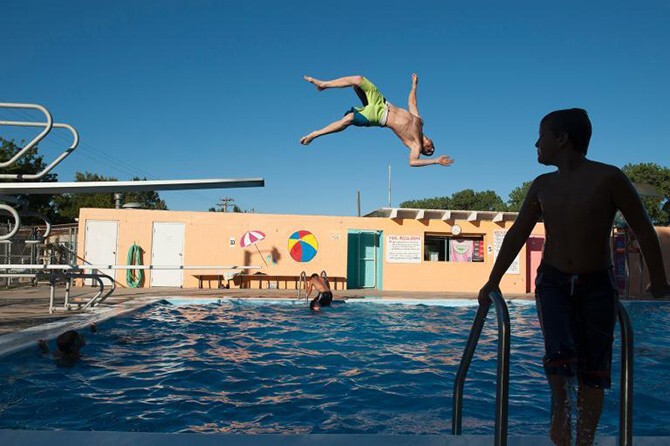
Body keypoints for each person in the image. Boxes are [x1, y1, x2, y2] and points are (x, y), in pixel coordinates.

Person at [478, 108, 670, 446]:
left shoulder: (609, 178)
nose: (536, 143)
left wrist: (659, 281)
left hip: (597, 283)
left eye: (542, 136)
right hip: (552, 281)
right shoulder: (542, 185)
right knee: (559, 353)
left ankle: (584, 438)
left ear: (562, 138)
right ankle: (561, 415)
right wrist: (493, 281)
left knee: (595, 367)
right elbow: (517, 234)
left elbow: (642, 228)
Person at [300, 73, 454, 168]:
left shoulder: (415, 144)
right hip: (382, 102)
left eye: (428, 152)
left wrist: (435, 161)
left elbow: (412, 162)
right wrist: (414, 86)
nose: (430, 149)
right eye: (432, 148)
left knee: (349, 119)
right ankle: (323, 85)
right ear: (431, 142)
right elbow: (412, 103)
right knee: (358, 80)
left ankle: (315, 134)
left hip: (379, 116)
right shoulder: (420, 122)